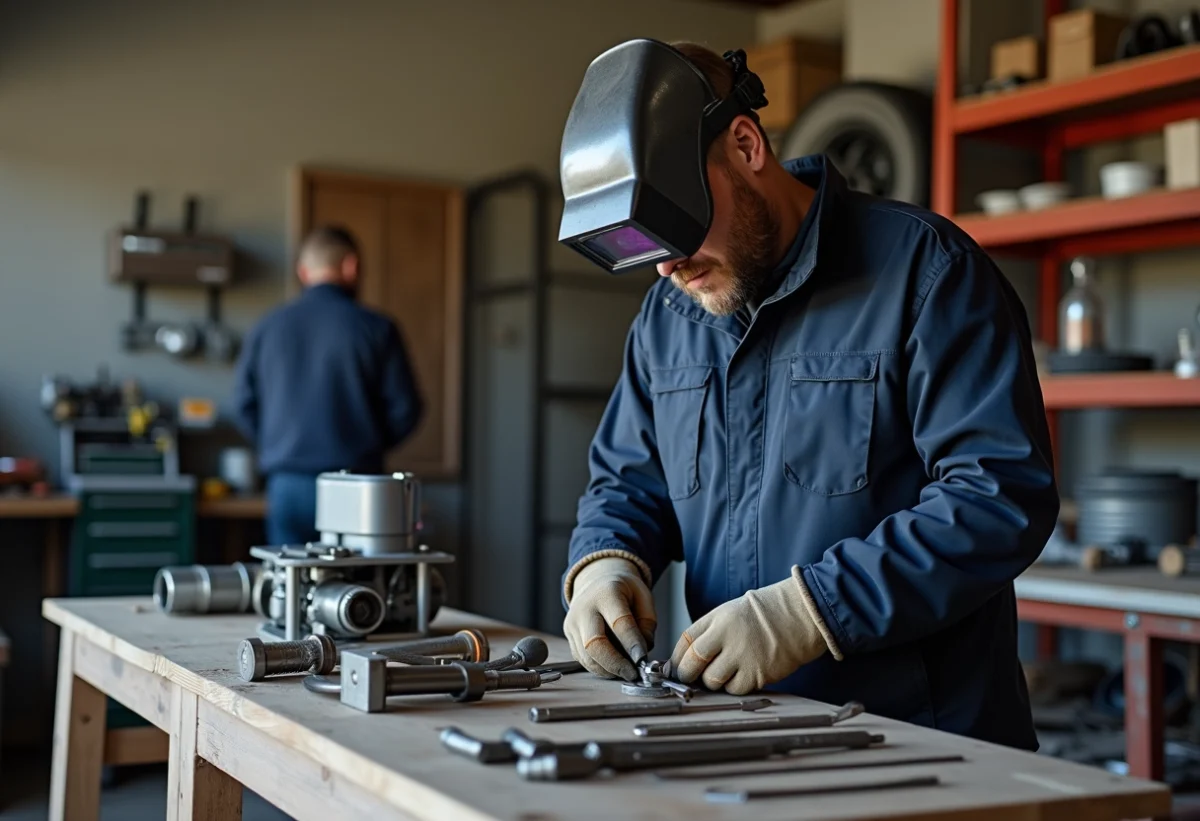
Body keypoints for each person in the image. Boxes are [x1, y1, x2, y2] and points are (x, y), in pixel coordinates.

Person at [557, 39, 1058, 751]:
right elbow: (628, 482)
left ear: (744, 143)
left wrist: (812, 609)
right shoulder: (669, 317)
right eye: (648, 249)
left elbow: (998, 496)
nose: (670, 267)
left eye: (683, 229)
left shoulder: (927, 275)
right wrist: (606, 562)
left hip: (923, 747)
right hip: (744, 736)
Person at [232, 225, 422, 546]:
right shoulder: (377, 328)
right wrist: (367, 444)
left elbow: (242, 405)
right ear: (352, 266)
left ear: (303, 272)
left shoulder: (267, 328)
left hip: (287, 482)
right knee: (356, 590)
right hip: (357, 486)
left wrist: (277, 444)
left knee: (290, 588)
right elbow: (406, 409)